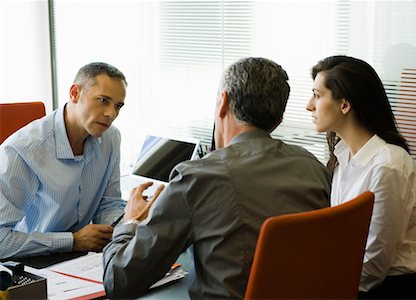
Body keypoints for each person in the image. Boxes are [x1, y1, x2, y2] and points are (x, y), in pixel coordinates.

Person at [103, 57, 331, 299]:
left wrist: (130, 223)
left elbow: (119, 280)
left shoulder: (200, 177)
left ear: (223, 102)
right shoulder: (312, 166)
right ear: (278, 119)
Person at [306, 55, 416, 299]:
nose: (309, 105)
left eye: (317, 95)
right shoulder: (343, 156)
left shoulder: (388, 165)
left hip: (403, 285)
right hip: (369, 280)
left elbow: (375, 264)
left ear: (344, 105)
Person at [0, 62, 127, 259]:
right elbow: (1, 240)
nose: (111, 113)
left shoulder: (110, 138)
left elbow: (108, 205)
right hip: (31, 260)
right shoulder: (22, 150)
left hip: (82, 259)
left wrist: (129, 226)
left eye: (118, 106)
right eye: (103, 100)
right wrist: (72, 241)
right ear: (75, 93)